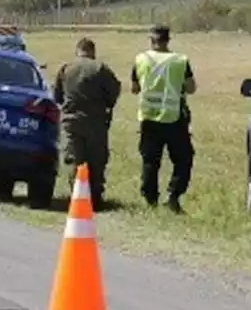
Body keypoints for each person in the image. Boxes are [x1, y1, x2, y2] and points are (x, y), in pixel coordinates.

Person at [130, 25, 196, 213]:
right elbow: (191, 88)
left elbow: (134, 88)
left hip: (149, 118)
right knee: (184, 159)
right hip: (174, 118)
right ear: (168, 40)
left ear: (151, 40)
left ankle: (150, 201)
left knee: (150, 161)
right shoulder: (180, 61)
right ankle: (173, 195)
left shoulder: (141, 59)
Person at [53, 36, 122, 208]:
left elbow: (57, 96)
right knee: (96, 160)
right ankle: (95, 198)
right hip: (95, 122)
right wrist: (106, 104)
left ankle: (77, 197)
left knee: (76, 161)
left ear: (78, 50)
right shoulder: (100, 68)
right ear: (92, 51)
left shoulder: (66, 69)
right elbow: (114, 91)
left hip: (71, 122)